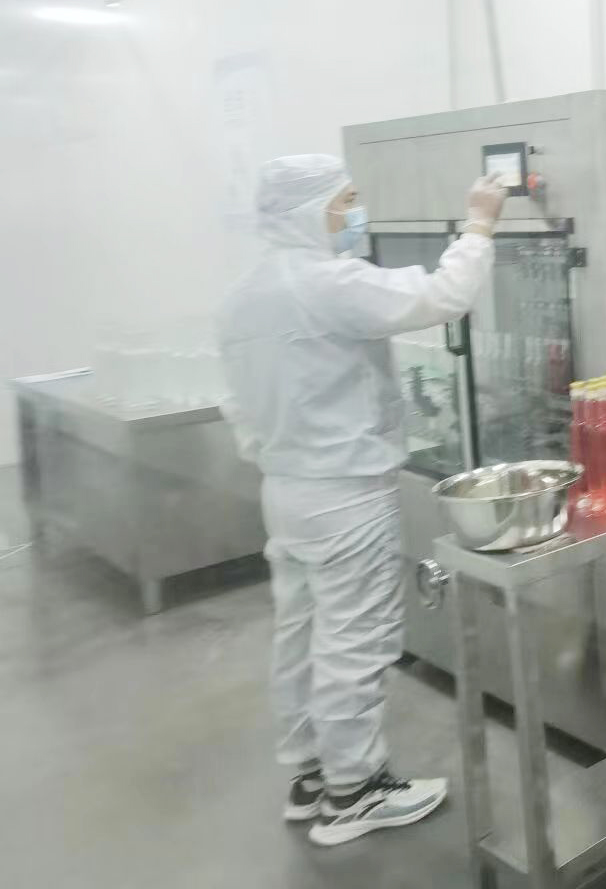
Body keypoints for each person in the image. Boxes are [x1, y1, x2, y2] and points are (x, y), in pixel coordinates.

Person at [216, 154, 507, 847]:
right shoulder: (326, 282)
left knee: (301, 632)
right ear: (310, 210)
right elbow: (442, 297)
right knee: (356, 636)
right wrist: (479, 225)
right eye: (346, 201)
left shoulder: (243, 295)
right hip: (345, 493)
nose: (355, 213)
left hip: (286, 488)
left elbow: (238, 405)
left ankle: (311, 775)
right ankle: (354, 791)